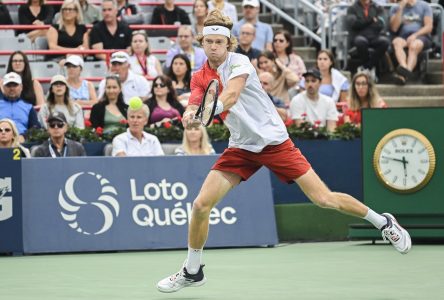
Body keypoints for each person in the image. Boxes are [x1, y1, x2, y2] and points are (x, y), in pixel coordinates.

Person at [156, 10, 411, 293]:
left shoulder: (240, 62)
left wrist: (209, 109)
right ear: (202, 43)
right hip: (241, 146)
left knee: (324, 199)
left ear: (228, 44)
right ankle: (192, 271)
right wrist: (191, 114)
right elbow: (193, 104)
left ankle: (383, 222)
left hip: (275, 142)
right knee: (200, 206)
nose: (214, 47)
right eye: (209, 42)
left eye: (219, 42)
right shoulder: (199, 76)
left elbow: (230, 95)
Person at [389, 0, 433, 85]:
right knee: (396, 42)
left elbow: (429, 27)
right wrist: (400, 9)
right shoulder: (395, 8)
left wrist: (415, 35)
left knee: (414, 46)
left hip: (421, 36)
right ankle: (405, 68)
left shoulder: (424, 5)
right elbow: (394, 28)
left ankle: (403, 75)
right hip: (403, 36)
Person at [346, 0, 390, 81]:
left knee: (385, 42)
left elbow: (381, 23)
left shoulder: (377, 7)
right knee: (361, 42)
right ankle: (369, 69)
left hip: (375, 35)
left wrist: (364, 23)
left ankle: (366, 67)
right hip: (359, 35)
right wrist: (371, 20)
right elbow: (354, 24)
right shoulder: (352, 8)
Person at [0, 72, 40, 141]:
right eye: (8, 85)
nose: (12, 88)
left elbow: (35, 128)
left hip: (23, 143)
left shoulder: (28, 107)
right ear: (3, 87)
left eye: (15, 85)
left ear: (21, 87)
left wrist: (24, 136)